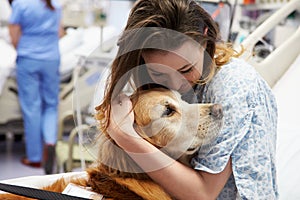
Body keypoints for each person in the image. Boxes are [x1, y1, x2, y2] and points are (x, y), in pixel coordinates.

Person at [95, 0, 278, 199]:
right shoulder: (155, 88)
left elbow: (203, 194)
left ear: (205, 39)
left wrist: (126, 138)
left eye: (186, 69)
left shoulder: (234, 86)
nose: (176, 83)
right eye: (160, 73)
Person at [8, 0, 63, 174]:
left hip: (28, 58)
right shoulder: (55, 4)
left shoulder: (21, 4)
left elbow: (14, 34)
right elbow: (59, 32)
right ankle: (50, 142)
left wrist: (23, 49)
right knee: (51, 105)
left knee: (32, 107)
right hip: (52, 60)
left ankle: (35, 158)